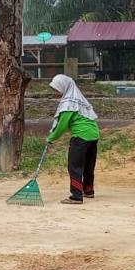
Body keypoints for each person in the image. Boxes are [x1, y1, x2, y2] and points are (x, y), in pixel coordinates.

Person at [46, 74, 100, 205]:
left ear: (64, 87)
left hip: (81, 136)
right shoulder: (80, 99)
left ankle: (76, 195)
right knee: (88, 165)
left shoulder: (68, 103)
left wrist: (51, 138)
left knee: (74, 166)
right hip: (94, 135)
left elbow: (62, 125)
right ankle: (88, 190)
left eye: (57, 89)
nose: (57, 93)